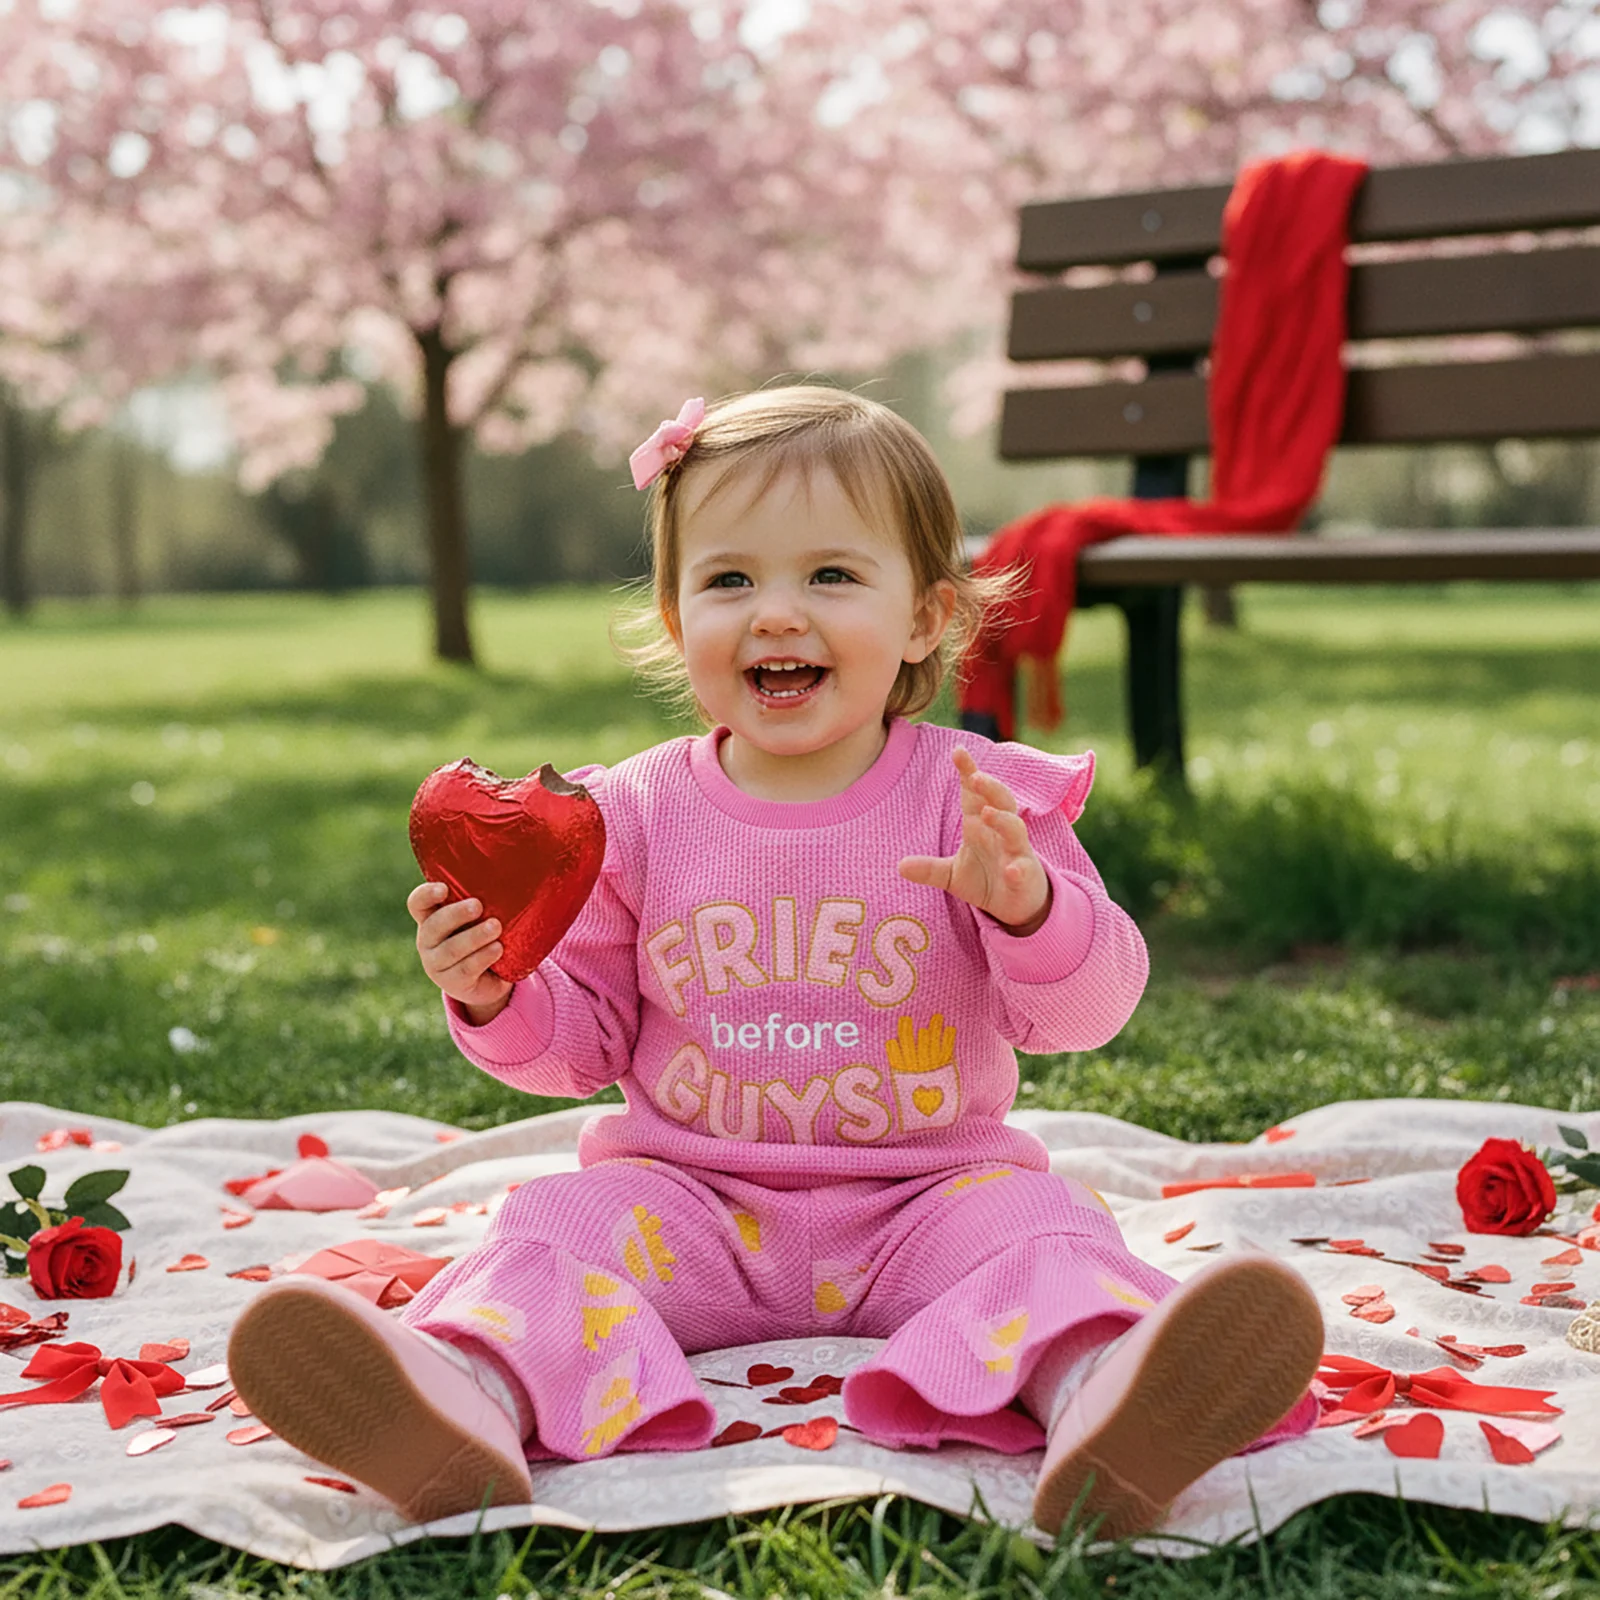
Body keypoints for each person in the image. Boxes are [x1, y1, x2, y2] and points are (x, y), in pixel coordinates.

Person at [228, 385, 1323, 1539]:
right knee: (547, 1231)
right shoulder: (631, 815)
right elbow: (584, 1042)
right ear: (673, 611)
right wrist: (497, 991)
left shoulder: (981, 803)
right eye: (731, 580)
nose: (777, 616)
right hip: (687, 1201)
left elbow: (1092, 1008)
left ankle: (1114, 1404)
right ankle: (458, 1405)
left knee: (1047, 1237)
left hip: (928, 1197)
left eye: (832, 577)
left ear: (926, 619)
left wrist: (1032, 909)